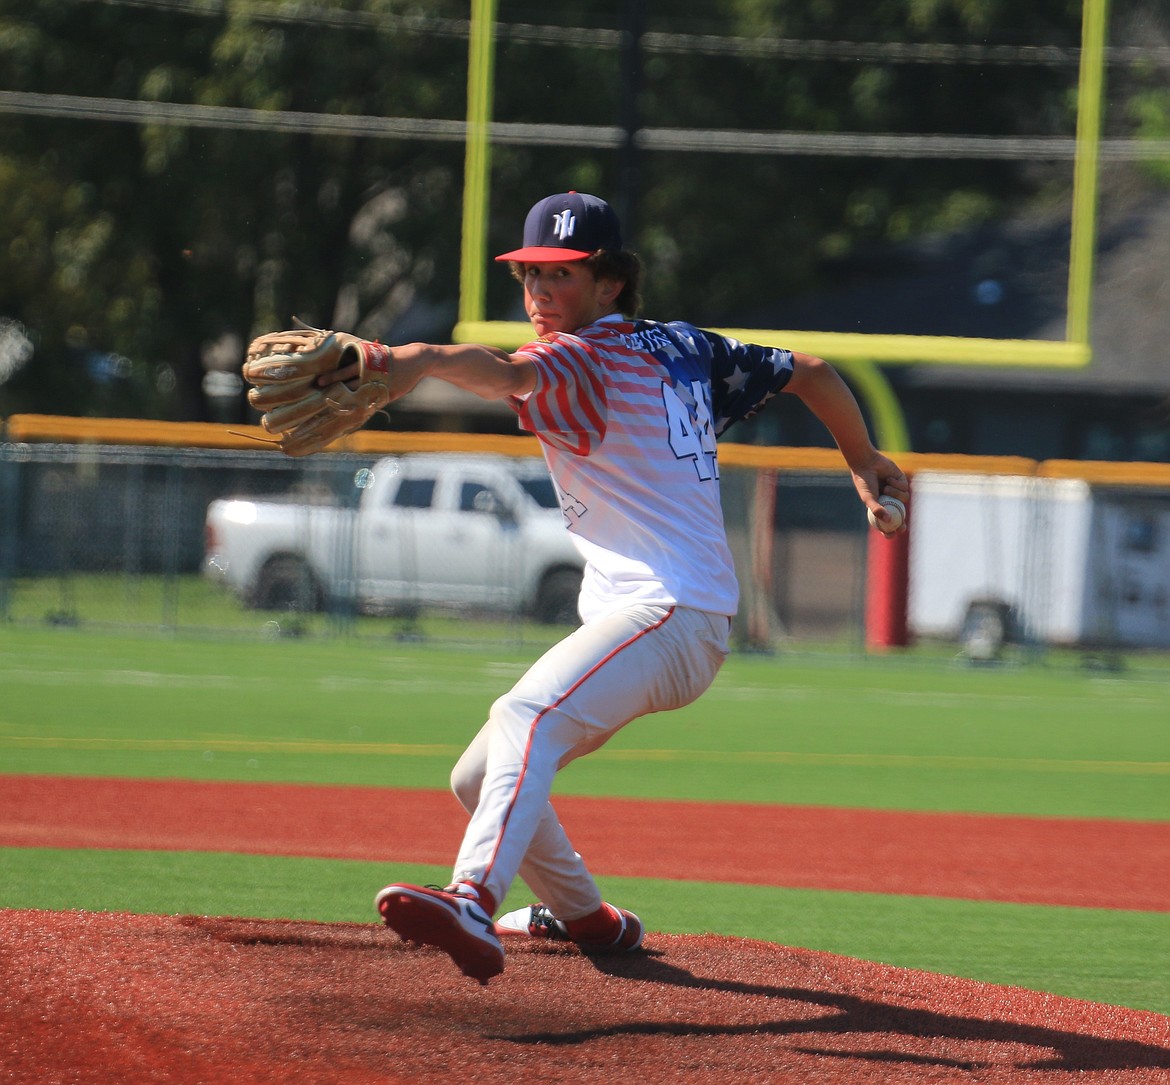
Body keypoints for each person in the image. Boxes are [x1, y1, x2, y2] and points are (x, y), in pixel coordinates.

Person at [365, 191, 909, 984]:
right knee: (477, 775)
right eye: (529, 276)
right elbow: (811, 371)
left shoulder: (578, 356)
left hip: (669, 609)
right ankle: (592, 919)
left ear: (611, 282)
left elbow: (500, 371)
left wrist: (405, 361)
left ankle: (472, 899)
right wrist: (863, 457)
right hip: (672, 619)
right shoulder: (684, 347)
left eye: (561, 275)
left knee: (525, 714)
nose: (540, 294)